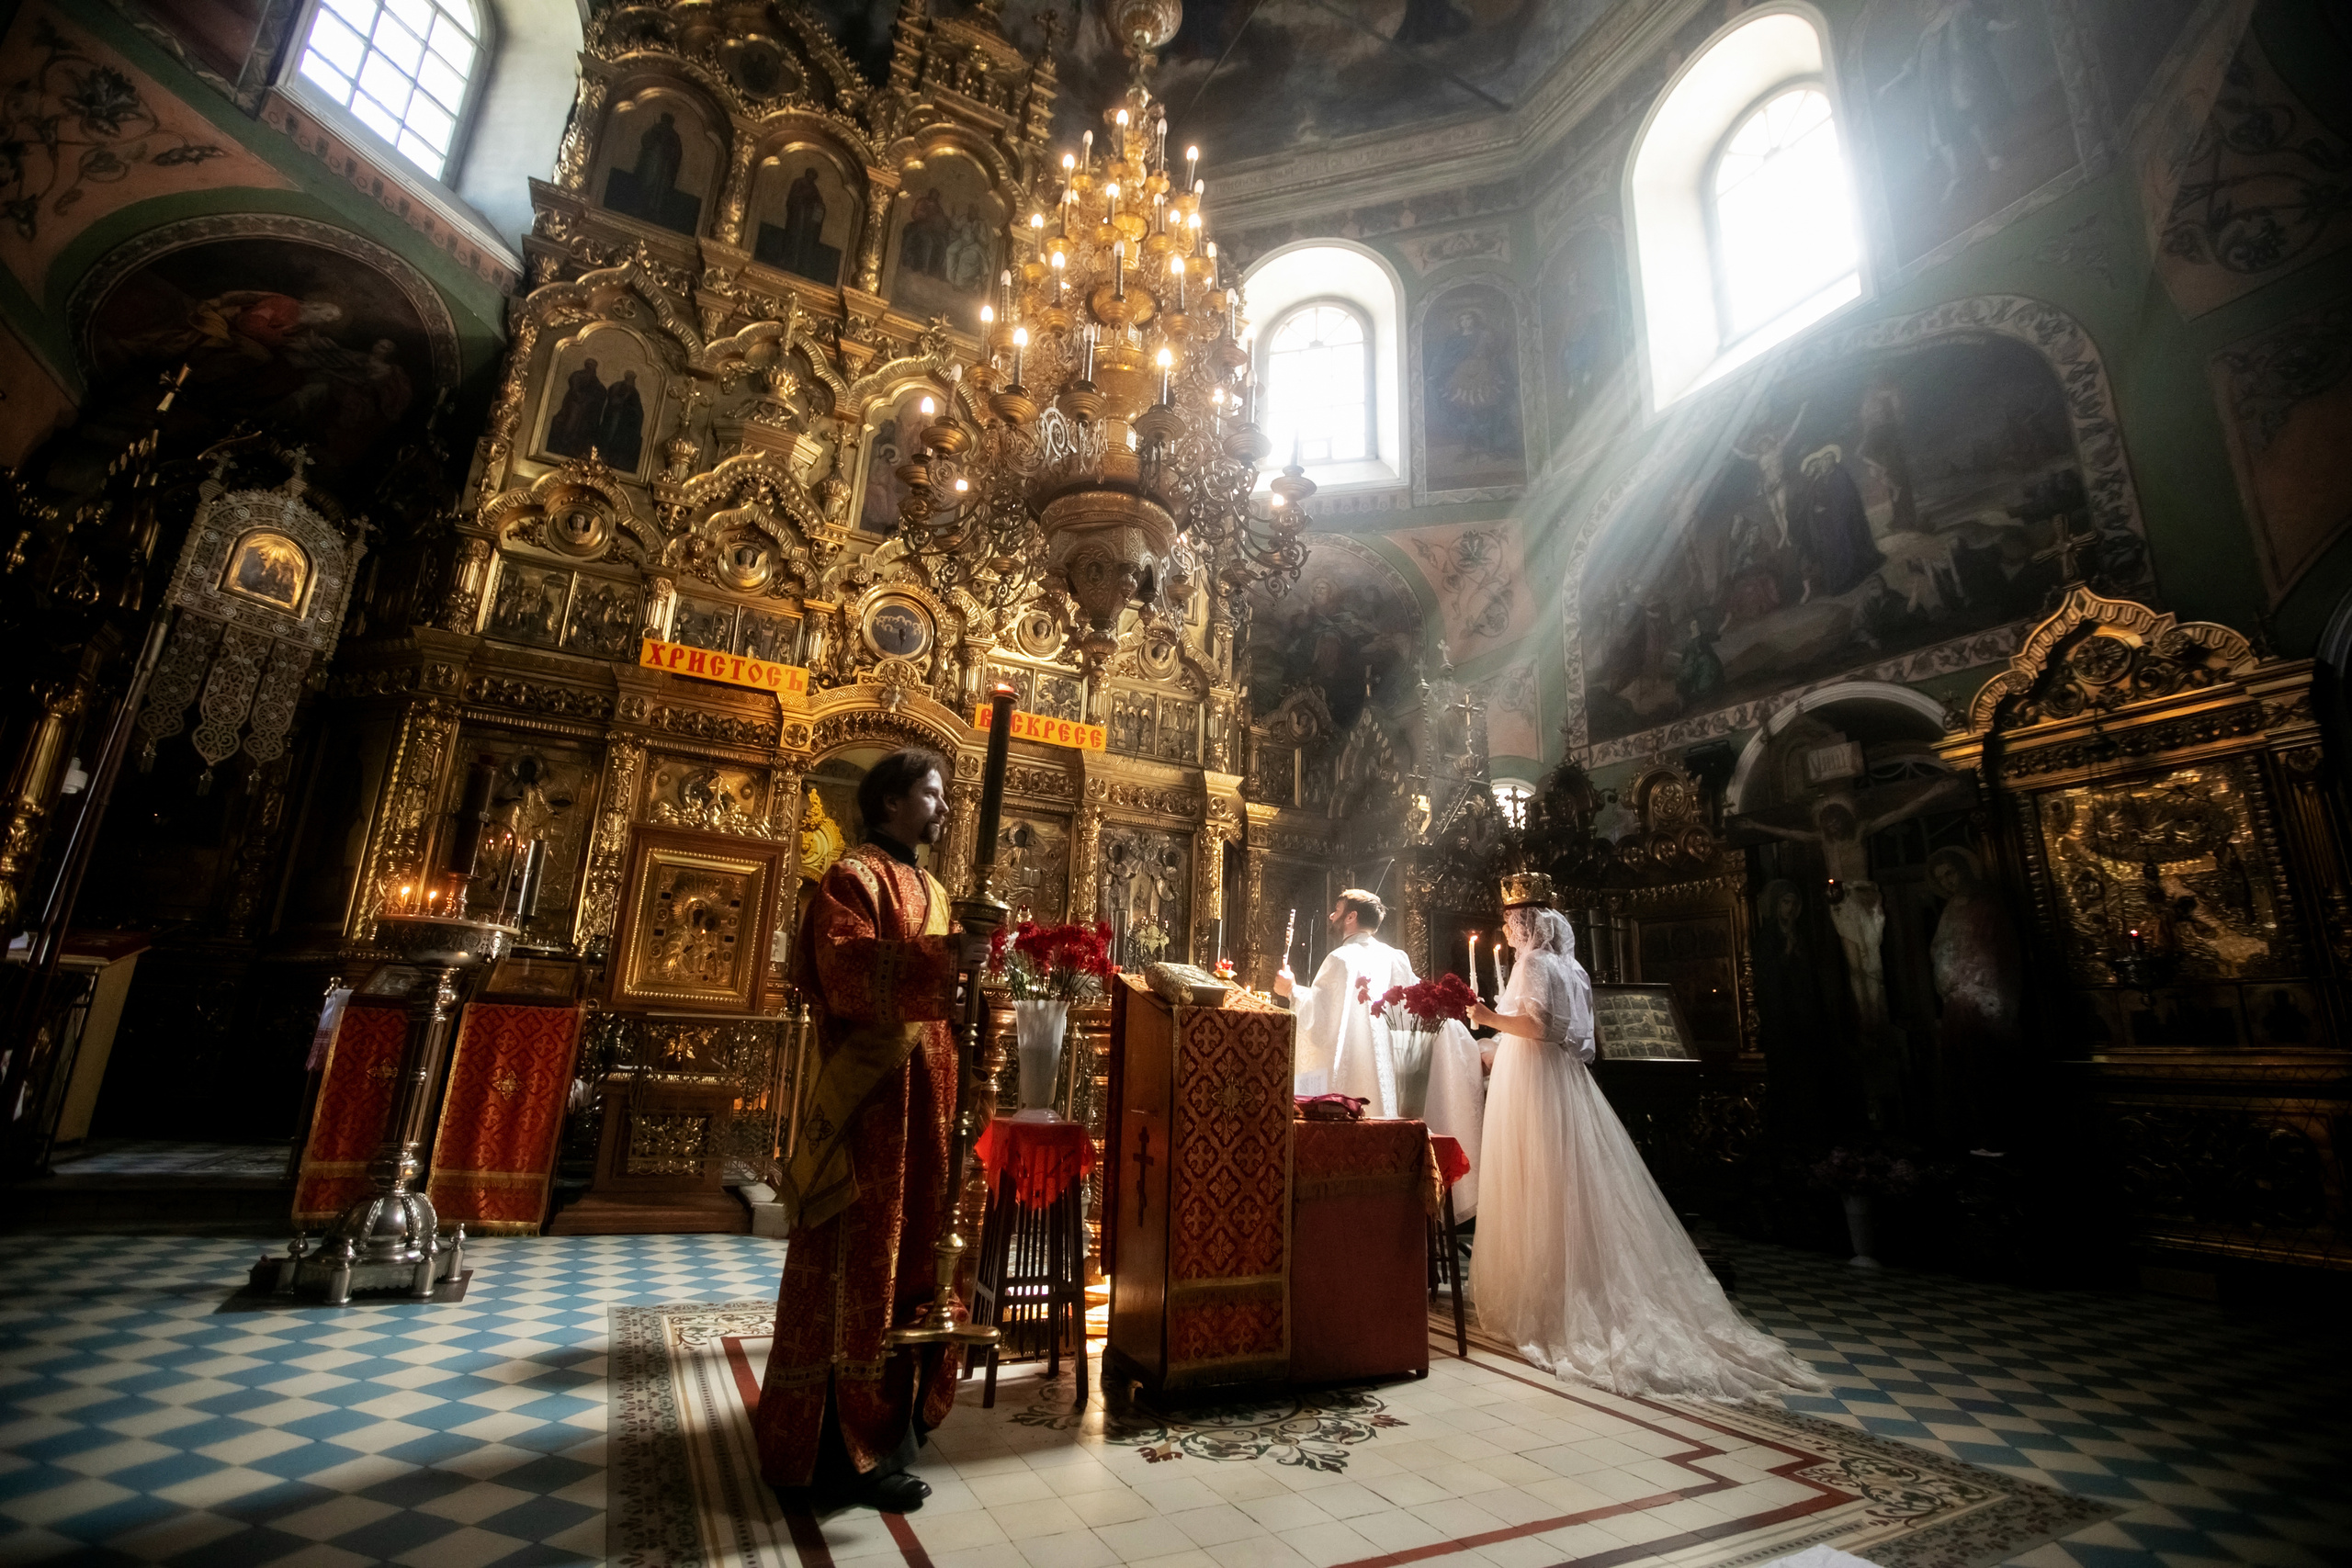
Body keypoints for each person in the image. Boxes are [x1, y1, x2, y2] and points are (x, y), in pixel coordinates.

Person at [1468, 884, 1820, 1400]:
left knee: (1542, 1176)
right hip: (1561, 1080)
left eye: (1510, 921)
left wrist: (1488, 1020)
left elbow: (1542, 1028)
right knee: (1571, 1180)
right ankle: (1561, 1284)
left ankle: (1550, 1297)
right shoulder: (1573, 966)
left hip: (1537, 1082)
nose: (1507, 930)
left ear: (1527, 923)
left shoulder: (1536, 965)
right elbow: (1576, 1033)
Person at [758, 750, 988, 1513]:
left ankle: (893, 1426)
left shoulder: (933, 886)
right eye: (931, 794)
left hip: (925, 1110)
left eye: (945, 796)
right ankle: (837, 1450)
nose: (943, 808)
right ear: (890, 801)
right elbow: (847, 970)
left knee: (916, 1263)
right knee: (860, 1267)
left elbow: (947, 993)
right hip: (871, 1114)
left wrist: (974, 970)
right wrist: (949, 956)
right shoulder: (852, 877)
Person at [1274, 889, 1484, 1211]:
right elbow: (1422, 1013)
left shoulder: (1339, 959)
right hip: (1398, 1083)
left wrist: (1291, 991)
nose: (1332, 916)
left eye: (1337, 910)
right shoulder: (1395, 957)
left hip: (1348, 1083)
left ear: (1351, 917)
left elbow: (1319, 1022)